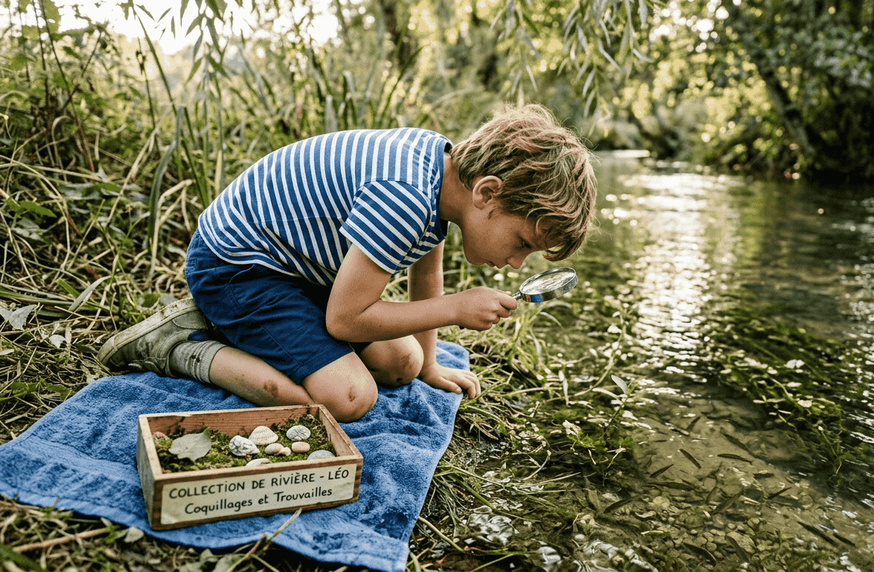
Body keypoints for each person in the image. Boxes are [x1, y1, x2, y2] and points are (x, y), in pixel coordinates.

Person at [98, 104, 597, 422]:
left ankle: (249, 331)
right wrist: (456, 309)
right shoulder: (404, 194)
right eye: (521, 242)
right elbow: (345, 318)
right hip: (236, 268)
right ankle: (180, 344)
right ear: (489, 193)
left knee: (404, 363)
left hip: (300, 269)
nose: (514, 263)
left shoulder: (444, 171)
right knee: (350, 398)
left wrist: (430, 365)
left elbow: (426, 275)